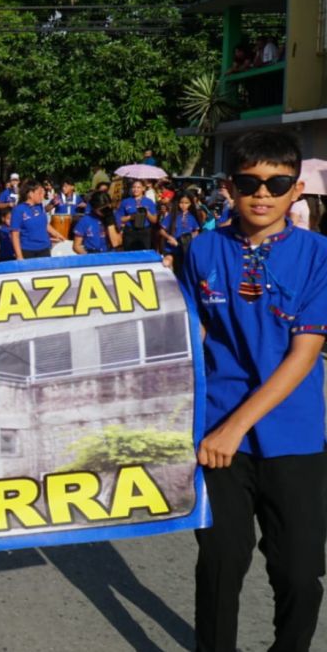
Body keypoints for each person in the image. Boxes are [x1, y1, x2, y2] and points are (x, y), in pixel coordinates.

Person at [180, 131, 327, 652]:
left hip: (293, 437)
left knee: (300, 576)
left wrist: (236, 426)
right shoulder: (201, 250)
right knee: (220, 563)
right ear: (229, 187)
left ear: (297, 190)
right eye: (248, 183)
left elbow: (303, 355)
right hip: (217, 436)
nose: (261, 194)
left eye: (277, 183)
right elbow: (187, 338)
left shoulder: (318, 256)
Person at [10, 179, 64, 260]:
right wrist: (19, 256)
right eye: (39, 193)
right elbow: (15, 234)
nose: (42, 195)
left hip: (44, 248)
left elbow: (44, 224)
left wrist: (57, 235)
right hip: (27, 250)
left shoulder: (40, 206)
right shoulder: (18, 210)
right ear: (31, 195)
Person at [159, 189, 201, 272]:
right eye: (181, 203)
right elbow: (161, 230)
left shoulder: (192, 217)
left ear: (191, 204)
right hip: (171, 249)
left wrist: (191, 237)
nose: (183, 205)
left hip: (186, 250)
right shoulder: (172, 216)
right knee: (168, 266)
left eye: (186, 203)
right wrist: (169, 237)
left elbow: (197, 231)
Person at [118, 179, 159, 251]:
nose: (135, 189)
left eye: (138, 187)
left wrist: (148, 214)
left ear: (143, 188)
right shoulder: (125, 201)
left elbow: (155, 220)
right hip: (130, 231)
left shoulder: (149, 202)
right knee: (129, 254)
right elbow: (119, 219)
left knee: (144, 254)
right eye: (134, 187)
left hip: (144, 231)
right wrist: (130, 217)